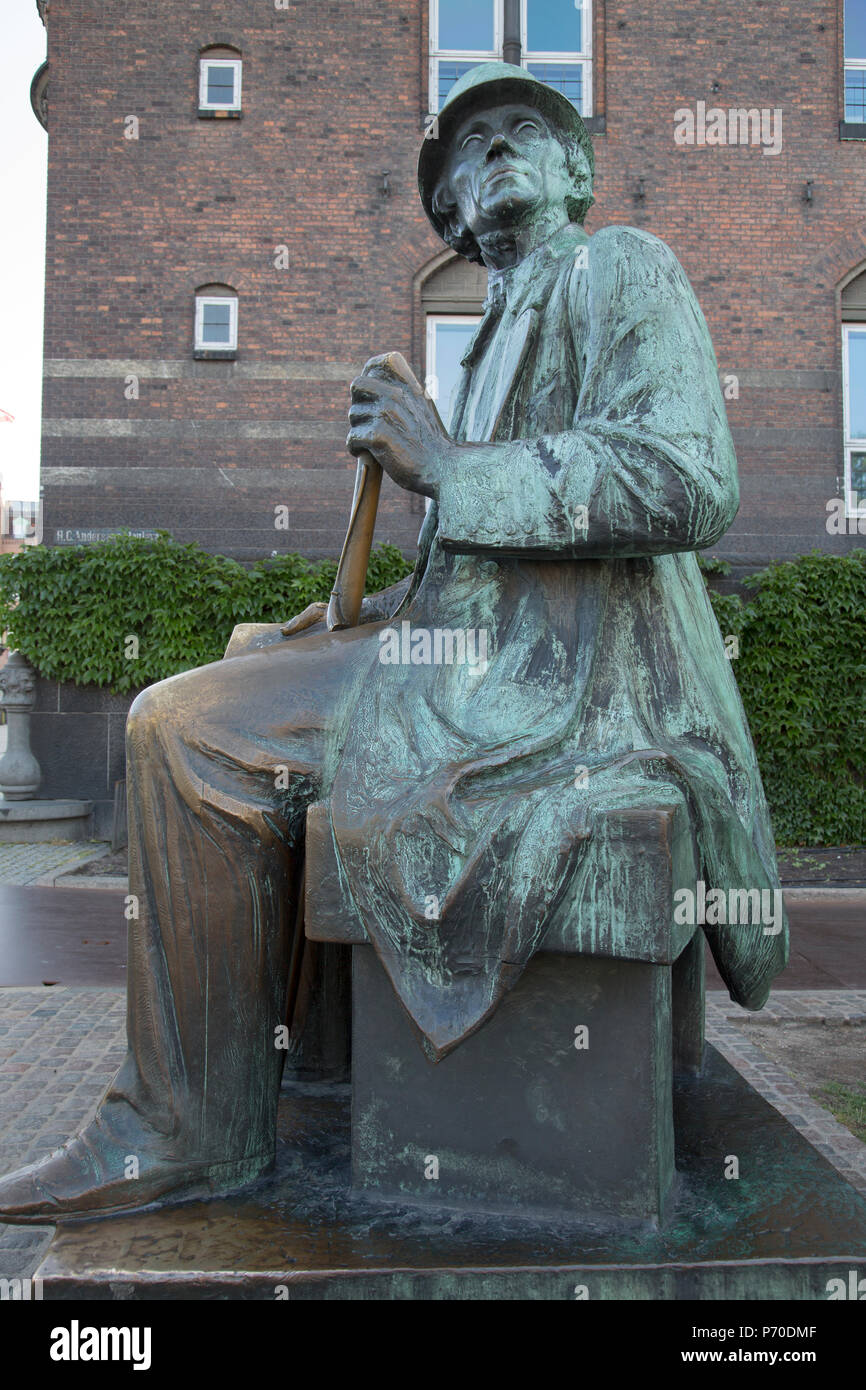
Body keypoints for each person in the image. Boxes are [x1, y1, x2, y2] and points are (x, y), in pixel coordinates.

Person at [0, 63, 787, 1222]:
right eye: (469, 151)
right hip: (471, 659)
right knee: (250, 641)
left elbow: (685, 479)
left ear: (575, 171)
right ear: (452, 217)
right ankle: (310, 1061)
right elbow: (477, 552)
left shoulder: (618, 266)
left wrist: (449, 468)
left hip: (558, 685)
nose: (498, 151)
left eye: (526, 132)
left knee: (176, 728)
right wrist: (367, 606)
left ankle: (179, 1129)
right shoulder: (491, 335)